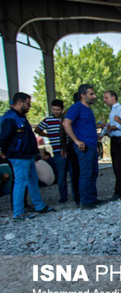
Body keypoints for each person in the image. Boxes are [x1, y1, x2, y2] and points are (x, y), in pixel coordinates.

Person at [0, 92, 54, 220]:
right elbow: (4, 138)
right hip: (19, 156)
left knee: (32, 180)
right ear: (20, 103)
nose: (29, 107)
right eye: (28, 104)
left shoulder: (20, 116)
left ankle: (39, 206)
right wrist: (6, 152)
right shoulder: (10, 118)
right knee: (21, 182)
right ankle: (18, 212)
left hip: (27, 155)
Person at [63, 84, 103, 209]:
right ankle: (85, 201)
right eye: (91, 94)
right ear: (82, 95)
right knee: (85, 173)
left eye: (93, 93)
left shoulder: (88, 109)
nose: (94, 96)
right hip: (83, 147)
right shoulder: (77, 108)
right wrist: (76, 141)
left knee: (93, 172)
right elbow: (66, 123)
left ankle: (92, 198)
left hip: (91, 145)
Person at [35, 99, 69, 202]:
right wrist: (47, 135)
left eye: (58, 109)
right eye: (54, 109)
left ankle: (77, 194)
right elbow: (37, 129)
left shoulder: (66, 119)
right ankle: (63, 196)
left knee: (72, 172)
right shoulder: (48, 120)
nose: (56, 111)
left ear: (62, 109)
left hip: (68, 149)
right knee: (61, 174)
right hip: (57, 150)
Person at [101, 90, 121, 200]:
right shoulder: (112, 110)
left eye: (106, 97)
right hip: (114, 139)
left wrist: (110, 128)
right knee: (116, 167)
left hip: (120, 139)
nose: (104, 100)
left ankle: (120, 191)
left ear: (113, 98)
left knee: (119, 166)